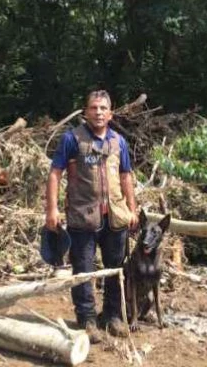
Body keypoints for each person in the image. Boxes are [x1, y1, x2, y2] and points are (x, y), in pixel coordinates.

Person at [45, 90, 138, 343]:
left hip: (115, 217)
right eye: (93, 108)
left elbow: (126, 175)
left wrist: (132, 208)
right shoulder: (72, 139)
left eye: (103, 108)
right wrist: (51, 210)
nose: (98, 112)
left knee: (114, 268)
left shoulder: (119, 142)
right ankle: (87, 318)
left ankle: (112, 315)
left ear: (110, 113)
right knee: (84, 270)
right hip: (82, 217)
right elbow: (55, 174)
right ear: (86, 112)